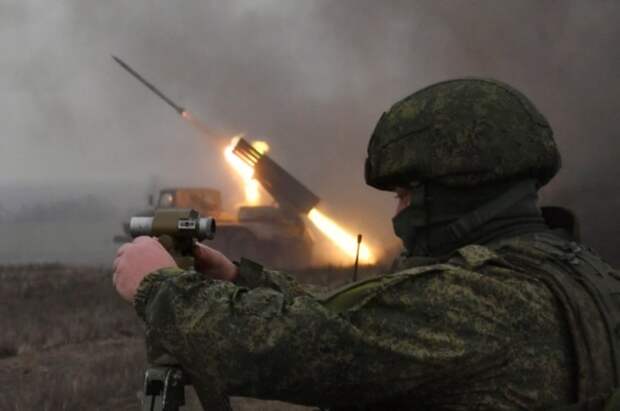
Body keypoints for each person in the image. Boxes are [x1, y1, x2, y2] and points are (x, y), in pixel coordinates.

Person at [113, 78, 620, 410]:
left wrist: (159, 287)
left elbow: (296, 347)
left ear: (455, 194)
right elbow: (361, 323)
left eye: (404, 195)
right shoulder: (577, 270)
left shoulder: (478, 302)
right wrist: (241, 279)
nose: (396, 213)